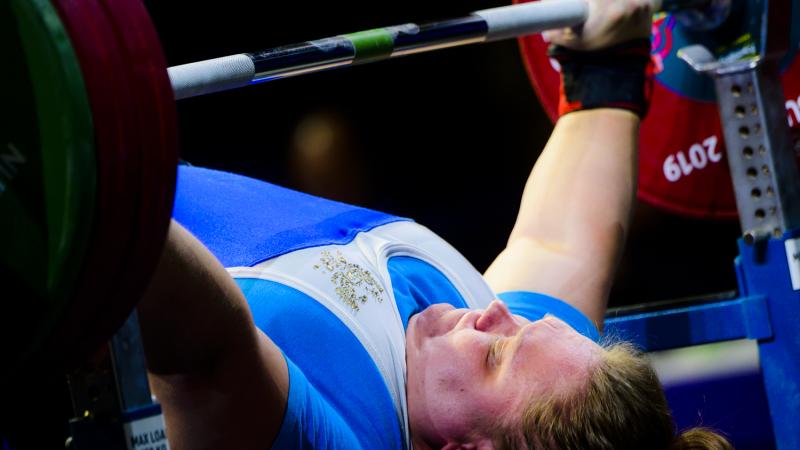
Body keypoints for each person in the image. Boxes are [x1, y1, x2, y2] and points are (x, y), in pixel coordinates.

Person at [137, 0, 734, 448]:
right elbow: (557, 241)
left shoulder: (345, 436)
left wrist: (98, 167)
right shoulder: (500, 354)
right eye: (537, 325)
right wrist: (609, 61)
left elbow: (206, 350)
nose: (499, 314)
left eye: (496, 354)